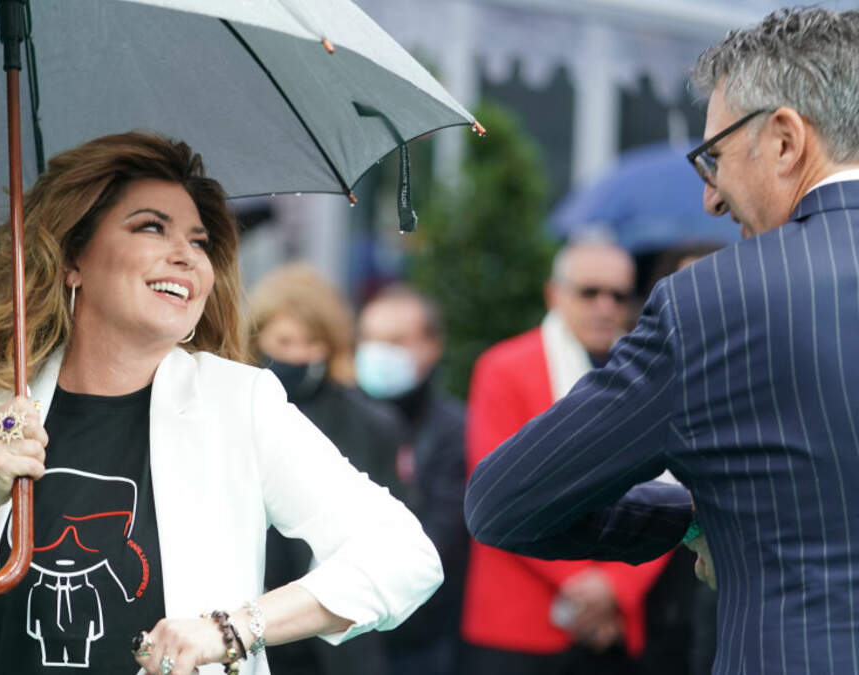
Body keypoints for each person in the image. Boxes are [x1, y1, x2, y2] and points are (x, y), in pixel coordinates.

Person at [0, 132, 442, 675]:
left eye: (199, 241)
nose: (186, 255)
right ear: (72, 260)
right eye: (151, 228)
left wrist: (235, 629)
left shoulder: (240, 404)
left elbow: (404, 556)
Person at [465, 7, 859, 674]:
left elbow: (503, 503)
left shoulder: (715, 301)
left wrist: (697, 516)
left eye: (714, 158)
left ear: (786, 140)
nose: (711, 200)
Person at [462, 237, 668, 675]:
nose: (605, 306)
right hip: (520, 623)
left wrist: (617, 586)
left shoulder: (651, 370)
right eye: (589, 292)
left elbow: (674, 486)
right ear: (554, 294)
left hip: (614, 621)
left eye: (618, 295)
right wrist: (584, 586)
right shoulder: (503, 367)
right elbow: (498, 494)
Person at [248, 263, 404, 675]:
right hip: (247, 628)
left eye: (312, 342)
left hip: (337, 643)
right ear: (257, 339)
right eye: (284, 341)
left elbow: (391, 531)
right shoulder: (235, 412)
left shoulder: (371, 423)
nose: (298, 355)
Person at [354, 285, 467, 674]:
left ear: (432, 346)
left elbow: (441, 537)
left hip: (424, 641)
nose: (378, 352)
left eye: (396, 341)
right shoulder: (336, 417)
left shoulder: (453, 430)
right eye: (370, 339)